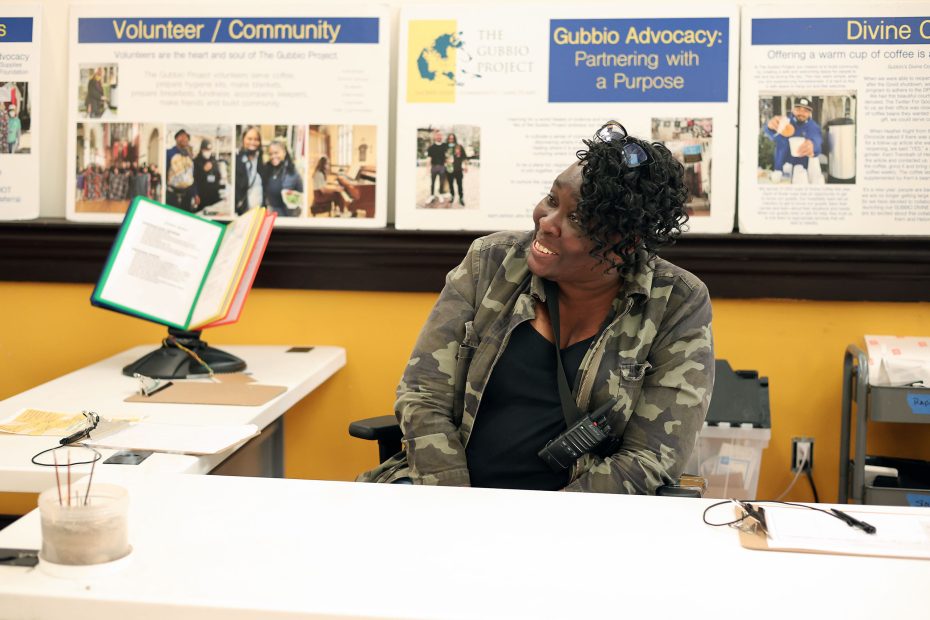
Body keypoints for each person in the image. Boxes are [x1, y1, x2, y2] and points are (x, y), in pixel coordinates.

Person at [358, 121, 714, 493]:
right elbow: (423, 395)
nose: (546, 222)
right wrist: (454, 502)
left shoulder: (676, 302)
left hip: (578, 523)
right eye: (552, 199)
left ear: (625, 244)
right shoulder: (491, 263)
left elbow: (649, 458)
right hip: (447, 494)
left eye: (575, 218)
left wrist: (543, 526)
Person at [763, 96, 823, 171]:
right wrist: (770, 127)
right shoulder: (784, 122)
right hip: (781, 169)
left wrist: (813, 145)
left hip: (801, 171)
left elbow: (817, 141)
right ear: (793, 110)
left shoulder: (814, 127)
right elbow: (771, 134)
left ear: (810, 113)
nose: (801, 113)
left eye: (805, 111)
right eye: (798, 109)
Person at [263, 137, 303, 217]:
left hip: (288, 215)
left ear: (284, 152)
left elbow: (301, 193)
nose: (273, 156)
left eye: (276, 153)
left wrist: (293, 200)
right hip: (271, 214)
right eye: (270, 154)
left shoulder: (293, 172)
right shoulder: (267, 169)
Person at [166, 129, 199, 211]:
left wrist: (195, 194)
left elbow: (192, 176)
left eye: (186, 137)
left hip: (187, 195)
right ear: (176, 138)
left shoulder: (189, 156)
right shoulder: (169, 153)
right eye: (181, 136)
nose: (184, 139)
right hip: (172, 194)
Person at [235, 125, 264, 215]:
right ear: (243, 139)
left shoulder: (261, 160)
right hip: (243, 211)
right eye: (249, 139)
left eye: (256, 139)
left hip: (259, 211)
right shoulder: (237, 160)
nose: (253, 142)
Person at [194, 139, 223, 209]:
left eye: (209, 150)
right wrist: (203, 170)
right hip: (202, 194)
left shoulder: (214, 160)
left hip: (214, 193)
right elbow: (194, 179)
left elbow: (218, 176)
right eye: (205, 150)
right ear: (201, 150)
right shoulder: (196, 161)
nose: (207, 152)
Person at [425, 129, 447, 204]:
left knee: (441, 182)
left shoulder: (445, 146)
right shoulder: (431, 147)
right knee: (432, 182)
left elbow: (449, 156)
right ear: (435, 137)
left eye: (440, 135)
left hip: (442, 167)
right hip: (434, 167)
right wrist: (427, 169)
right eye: (437, 135)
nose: (439, 136)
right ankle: (432, 195)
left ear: (442, 137)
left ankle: (440, 194)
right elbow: (429, 158)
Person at [446, 141, 468, 206]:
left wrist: (466, 166)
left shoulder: (461, 155)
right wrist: (447, 161)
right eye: (456, 149)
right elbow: (447, 161)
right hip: (450, 172)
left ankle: (461, 198)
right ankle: (452, 196)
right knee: (451, 185)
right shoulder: (451, 154)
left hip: (459, 172)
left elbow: (465, 160)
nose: (457, 150)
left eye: (458, 149)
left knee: (460, 185)